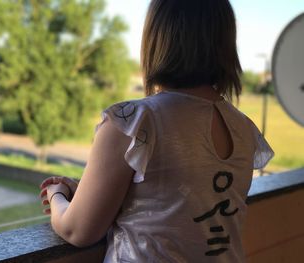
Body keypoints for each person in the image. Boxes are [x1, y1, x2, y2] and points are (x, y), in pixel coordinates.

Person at [40, 0, 274, 262]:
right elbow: (177, 198)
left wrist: (57, 193)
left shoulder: (134, 122)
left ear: (156, 40)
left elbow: (77, 229)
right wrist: (86, 190)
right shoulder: (244, 128)